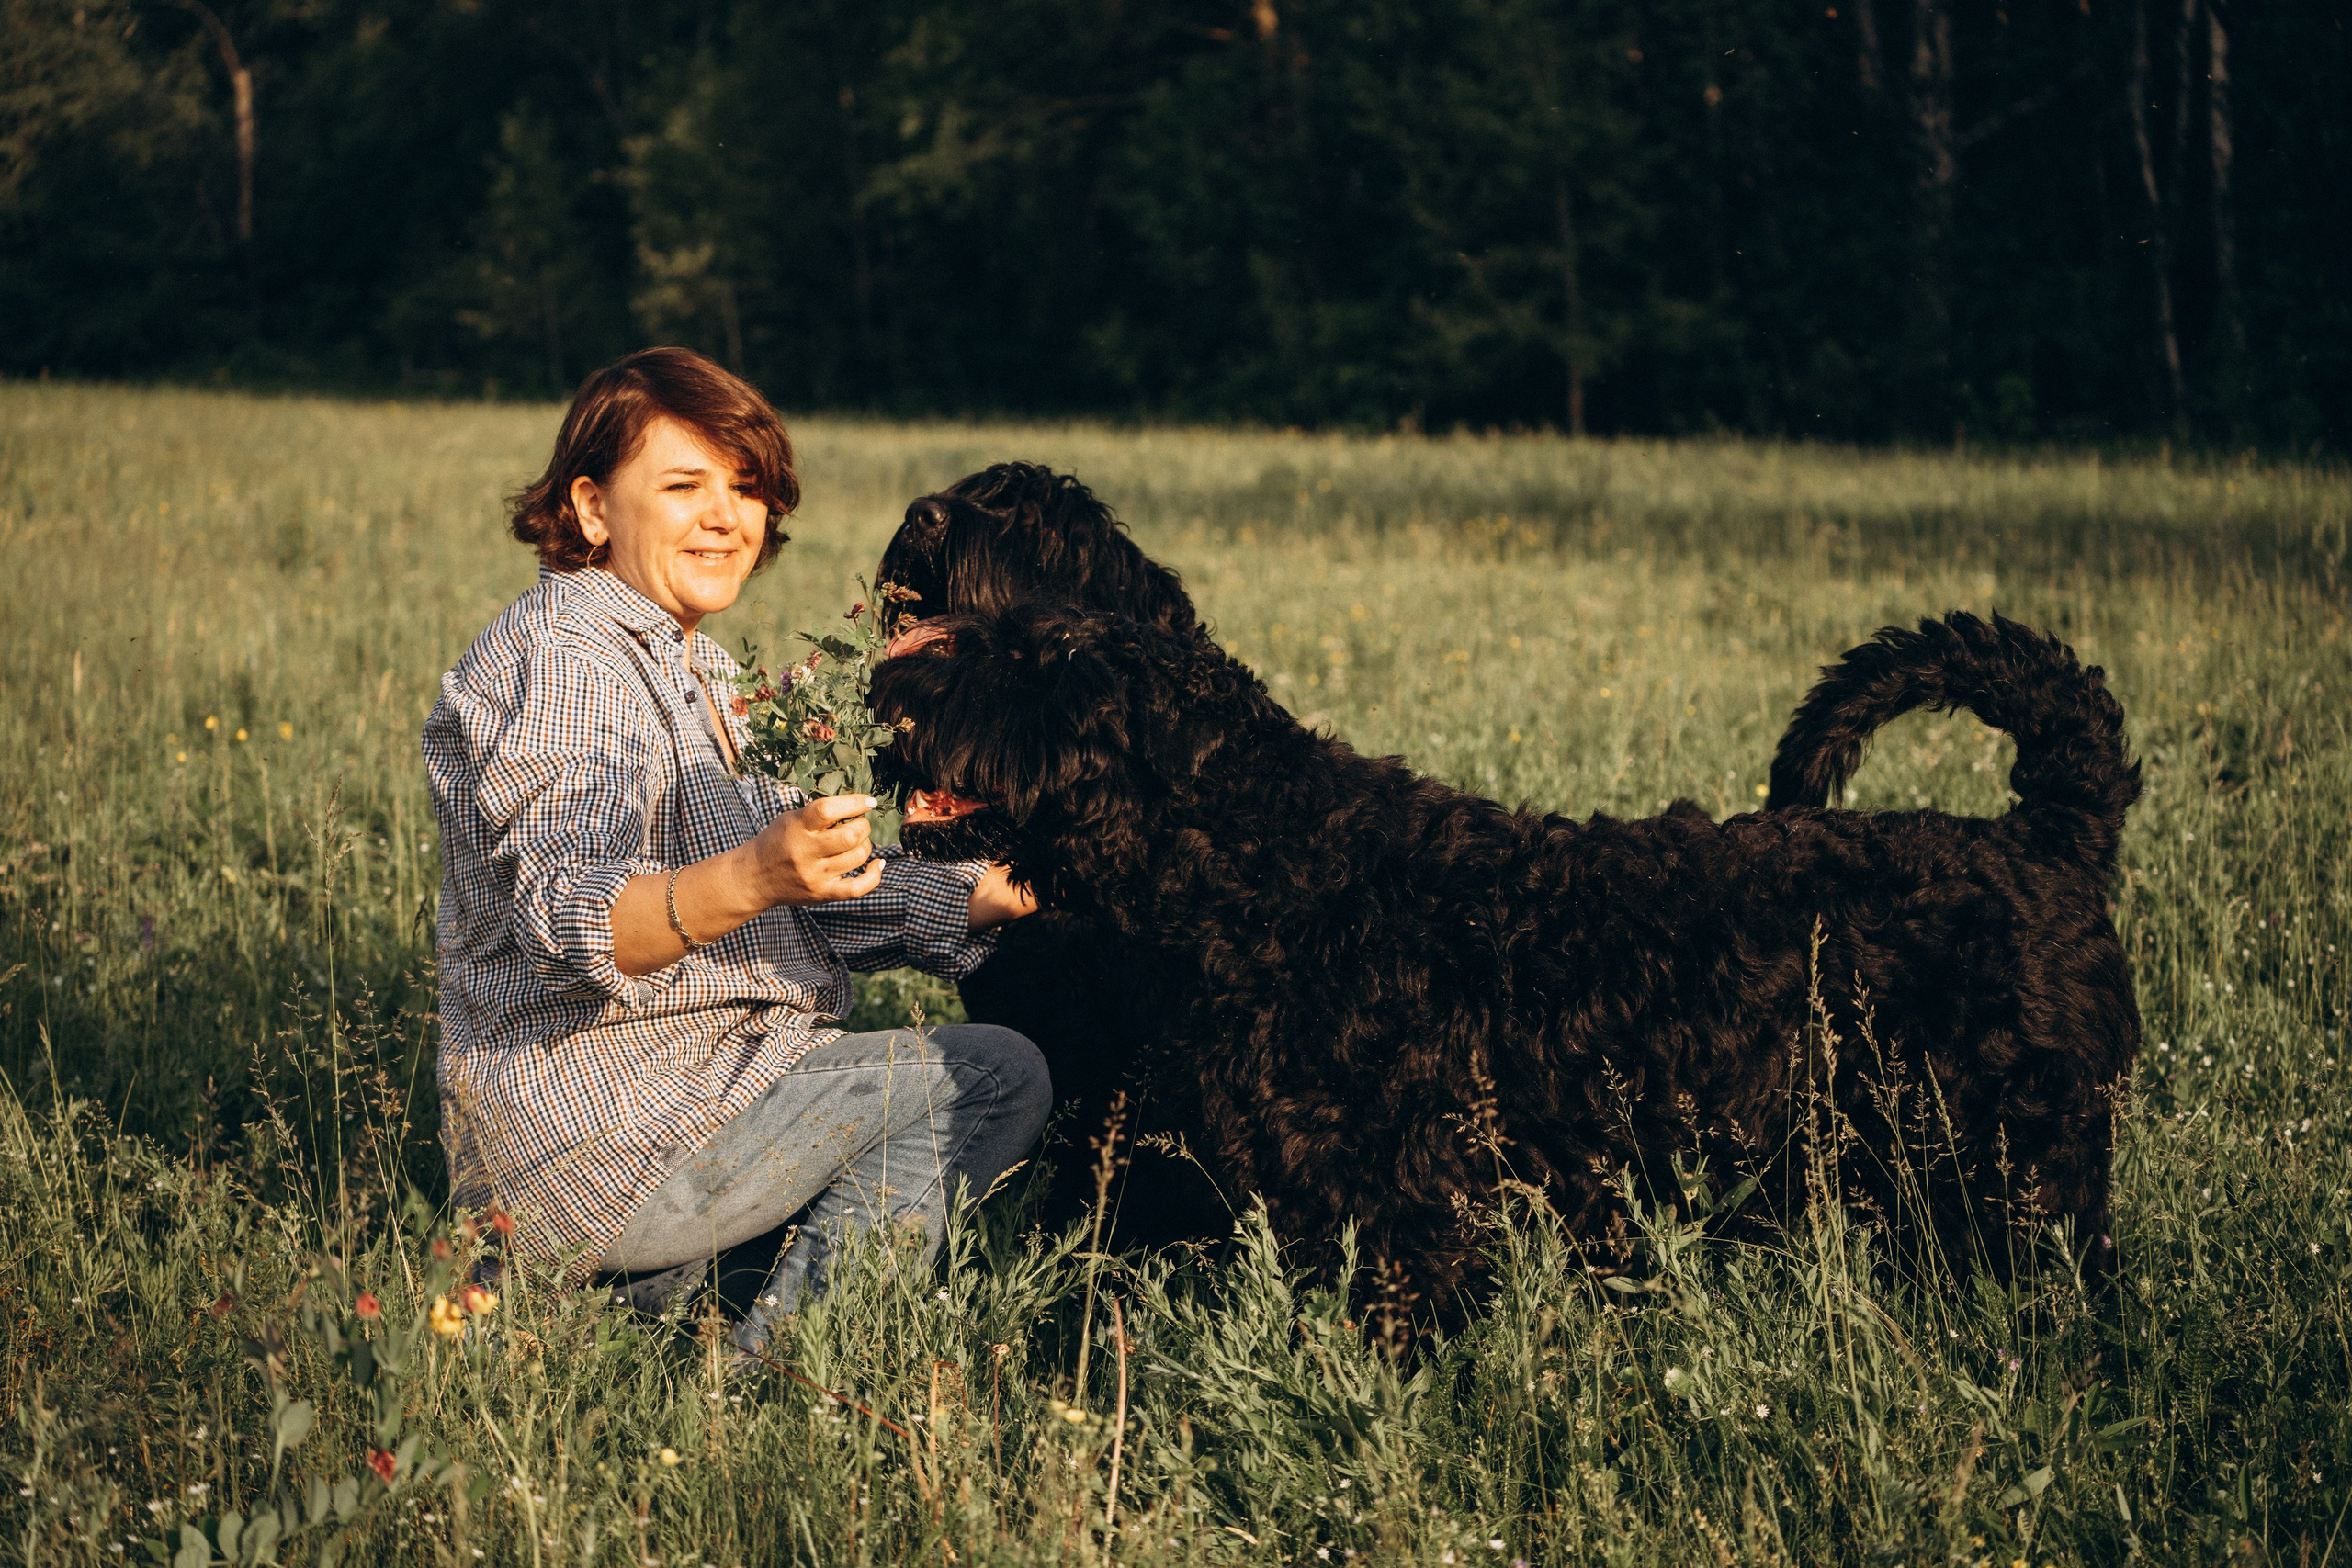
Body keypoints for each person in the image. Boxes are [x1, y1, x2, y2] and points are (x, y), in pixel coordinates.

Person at [422, 346, 1046, 1359]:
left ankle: (642, 1302)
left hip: (688, 1107)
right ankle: (786, 1374)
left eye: (747, 489)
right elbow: (578, 924)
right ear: (590, 507)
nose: (726, 515)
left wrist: (990, 893)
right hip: (620, 1134)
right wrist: (758, 871)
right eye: (684, 487)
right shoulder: (568, 659)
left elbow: (805, 898)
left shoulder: (700, 668)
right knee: (995, 1076)